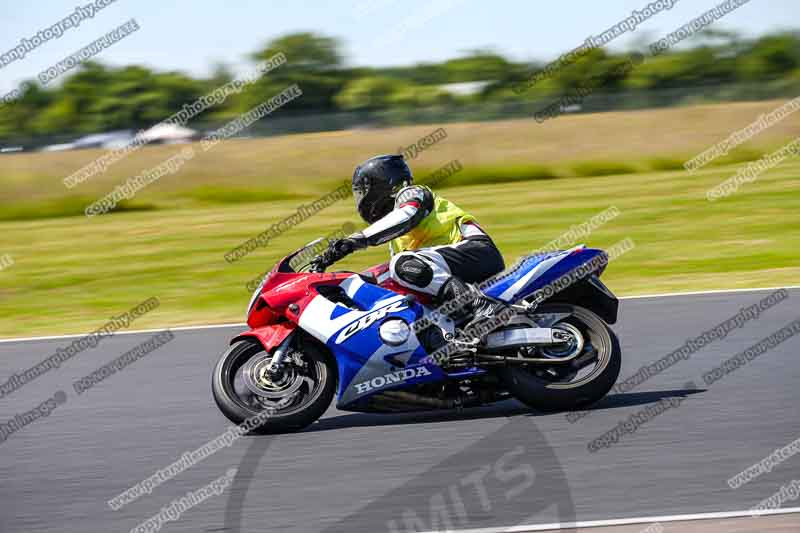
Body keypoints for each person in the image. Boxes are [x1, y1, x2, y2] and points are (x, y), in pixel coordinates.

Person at [322, 154, 506, 323]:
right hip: (453, 268)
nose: (361, 199)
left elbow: (407, 215)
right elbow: (389, 275)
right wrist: (349, 280)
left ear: (381, 185)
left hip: (477, 251)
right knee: (403, 272)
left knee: (402, 263)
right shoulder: (397, 241)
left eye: (363, 191)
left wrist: (358, 240)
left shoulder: (412, 193)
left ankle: (481, 306)